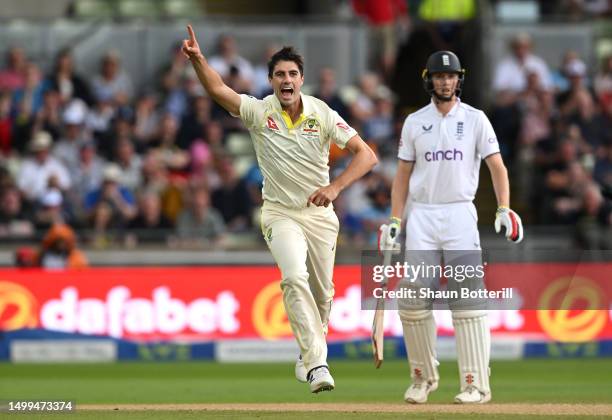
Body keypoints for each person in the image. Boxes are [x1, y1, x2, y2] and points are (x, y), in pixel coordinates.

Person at [182, 25, 378, 393]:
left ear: (301, 79)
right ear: (271, 80)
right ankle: (318, 364)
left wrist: (335, 187)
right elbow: (217, 90)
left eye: (292, 74)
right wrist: (199, 60)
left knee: (323, 296)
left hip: (319, 215)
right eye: (279, 75)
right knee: (293, 277)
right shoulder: (259, 111)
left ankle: (307, 356)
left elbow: (366, 155)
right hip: (279, 212)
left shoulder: (322, 113)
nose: (286, 80)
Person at [378, 51, 523, 404]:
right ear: (430, 79)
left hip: (459, 213)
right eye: (440, 76)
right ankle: (422, 378)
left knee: (467, 297)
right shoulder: (415, 121)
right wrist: (395, 219)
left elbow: (498, 168)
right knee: (412, 298)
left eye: (452, 76)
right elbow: (402, 175)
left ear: (460, 79)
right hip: (423, 214)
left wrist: (504, 207)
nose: (446, 82)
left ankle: (475, 384)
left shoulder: (475, 119)